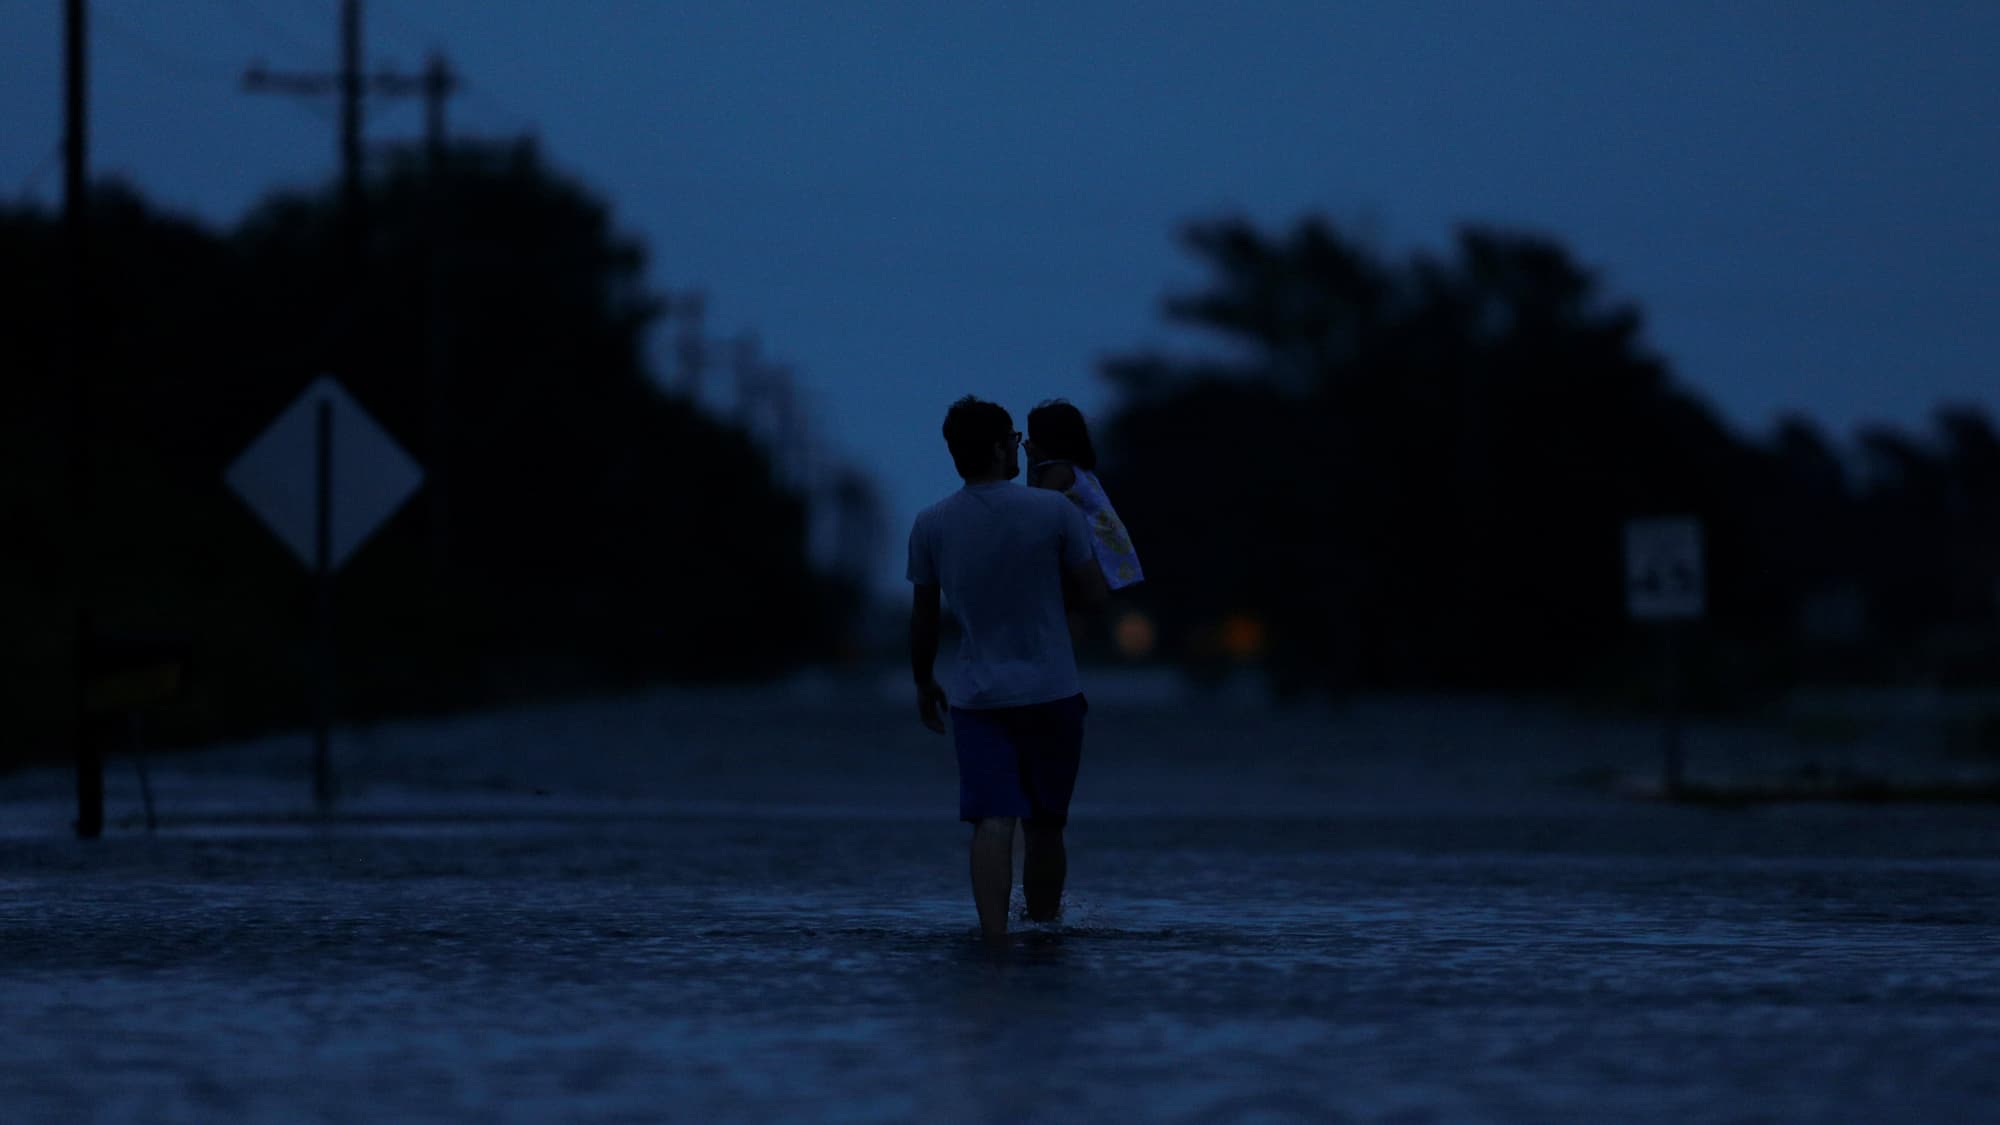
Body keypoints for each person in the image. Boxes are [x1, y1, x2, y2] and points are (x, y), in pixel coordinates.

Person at [908, 396, 1109, 946]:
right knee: (1046, 826)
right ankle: (1043, 938)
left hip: (978, 696)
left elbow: (924, 615)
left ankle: (993, 942)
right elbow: (1094, 594)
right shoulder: (1055, 512)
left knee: (992, 820)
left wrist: (923, 681)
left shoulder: (931, 523)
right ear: (1000, 448)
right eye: (1014, 440)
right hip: (1053, 690)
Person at [1024, 399, 1144, 590]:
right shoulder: (1081, 471)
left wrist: (1031, 464)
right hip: (1110, 553)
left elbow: (1035, 507)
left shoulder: (1059, 472)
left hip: (1093, 554)